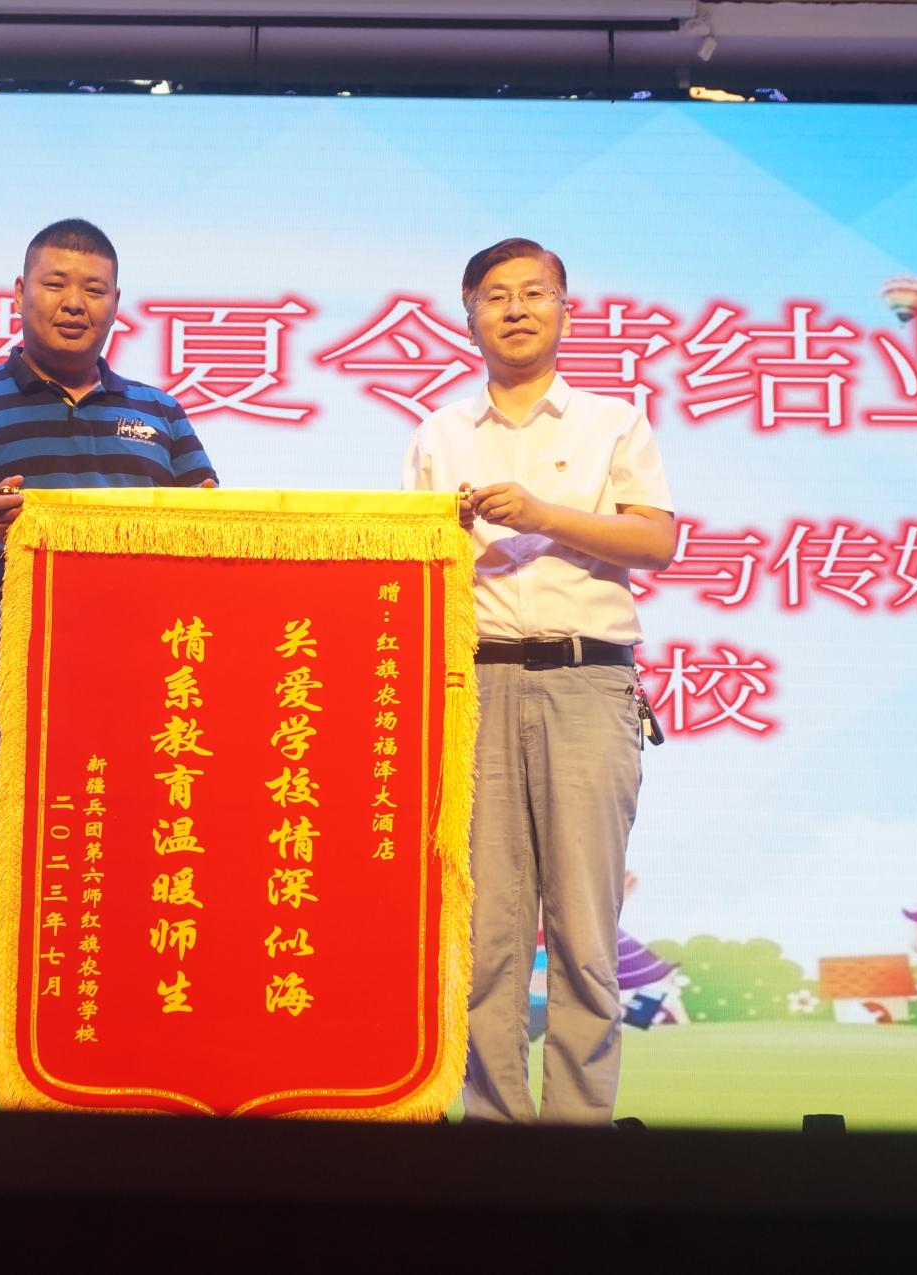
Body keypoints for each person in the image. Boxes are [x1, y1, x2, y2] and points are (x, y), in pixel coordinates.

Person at [403, 238, 676, 1123]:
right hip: (474, 688)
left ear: (565, 308)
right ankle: (497, 1134)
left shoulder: (614, 424)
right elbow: (412, 564)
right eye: (495, 296)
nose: (515, 309)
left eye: (534, 293)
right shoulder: (439, 434)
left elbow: (657, 540)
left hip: (587, 682)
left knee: (585, 934)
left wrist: (543, 514)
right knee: (487, 936)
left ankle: (577, 1136)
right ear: (468, 315)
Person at [0, 218, 218, 850]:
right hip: (20, 692)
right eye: (55, 284)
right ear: (19, 292)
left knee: (159, 877)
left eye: (94, 289)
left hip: (156, 692)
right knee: (36, 887)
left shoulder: (160, 412)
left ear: (116, 302)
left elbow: (211, 531)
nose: (74, 303)